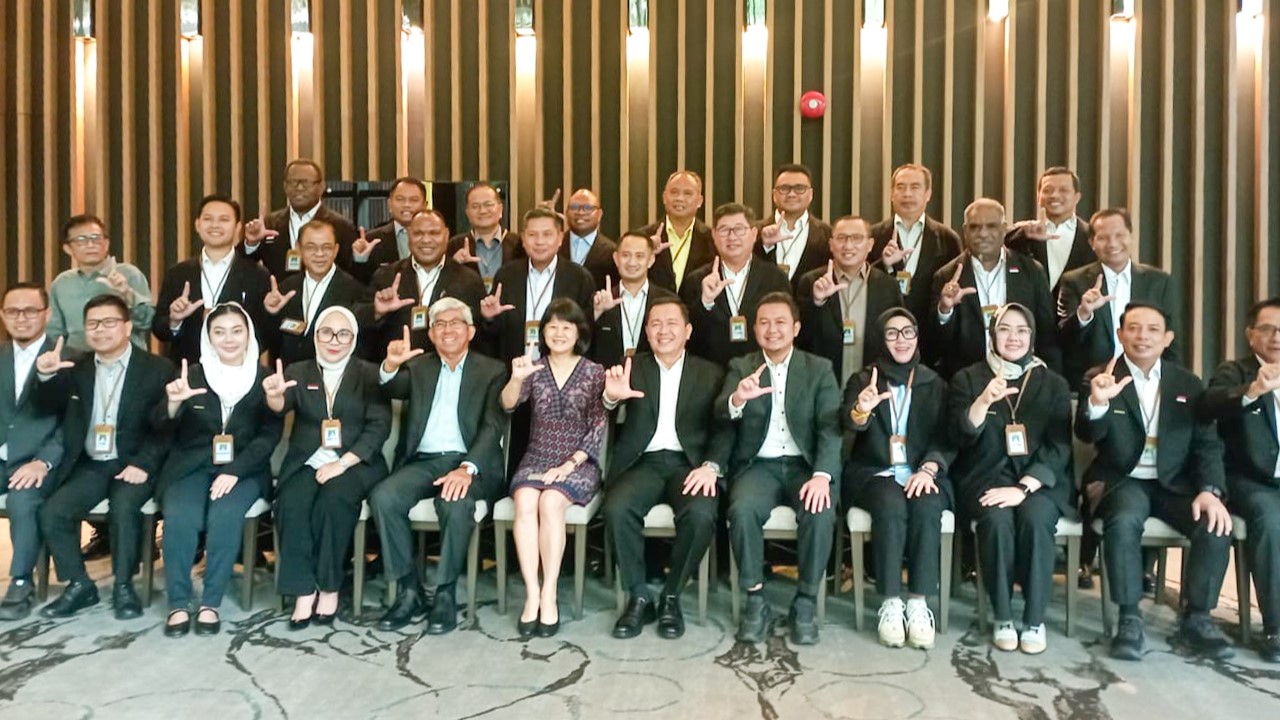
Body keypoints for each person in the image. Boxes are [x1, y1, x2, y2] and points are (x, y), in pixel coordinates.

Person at [1077, 302, 1234, 661]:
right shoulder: (1100, 376)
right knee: (1123, 521)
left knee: (1215, 524)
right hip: (1121, 480)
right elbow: (1087, 434)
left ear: (1168, 338)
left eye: (1152, 329)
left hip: (1174, 483)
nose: (1142, 336)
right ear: (1120, 335)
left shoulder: (1187, 383)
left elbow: (1207, 445)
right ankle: (1129, 617)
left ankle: (1197, 617)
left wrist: (1210, 491)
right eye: (1133, 328)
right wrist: (1097, 402)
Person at [371, 300, 507, 634]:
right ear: (431, 334)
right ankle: (409, 590)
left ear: (470, 331)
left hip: (468, 462)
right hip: (424, 461)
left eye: (455, 323)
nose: (447, 329)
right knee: (384, 497)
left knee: (455, 503)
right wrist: (390, 365)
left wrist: (467, 468)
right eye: (440, 324)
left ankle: (445, 593)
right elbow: (391, 387)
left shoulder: (492, 370)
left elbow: (493, 426)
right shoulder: (419, 367)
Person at [35, 294, 174, 620]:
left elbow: (167, 428)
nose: (100, 330)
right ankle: (79, 584)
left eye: (109, 322)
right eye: (93, 324)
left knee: (124, 508)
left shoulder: (157, 369)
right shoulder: (76, 367)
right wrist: (45, 377)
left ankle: (124, 586)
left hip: (135, 462)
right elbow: (47, 407)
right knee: (53, 511)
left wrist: (144, 464)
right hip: (91, 463)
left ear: (127, 327)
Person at [602, 297, 731, 639]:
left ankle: (671, 596)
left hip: (688, 465)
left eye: (672, 323)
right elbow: (605, 413)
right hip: (642, 463)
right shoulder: (632, 367)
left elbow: (724, 427)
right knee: (616, 509)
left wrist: (712, 466)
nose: (663, 330)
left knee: (701, 513)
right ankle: (639, 596)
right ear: (646, 331)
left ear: (687, 331)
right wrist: (611, 398)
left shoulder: (710, 373)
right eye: (656, 324)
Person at [947, 303, 1072, 655]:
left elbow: (1059, 446)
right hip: (986, 477)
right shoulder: (967, 379)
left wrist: (1024, 487)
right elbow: (958, 437)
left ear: (1032, 336)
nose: (1013, 337)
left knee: (1036, 519)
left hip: (1038, 482)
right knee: (997, 520)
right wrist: (982, 402)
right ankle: (1002, 615)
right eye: (1004, 329)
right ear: (992, 335)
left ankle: (1034, 619)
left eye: (1021, 330)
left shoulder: (1053, 383)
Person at [719, 292, 842, 645]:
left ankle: (805, 601)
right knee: (742, 509)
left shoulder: (819, 369)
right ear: (754, 328)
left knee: (820, 510)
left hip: (805, 467)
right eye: (764, 322)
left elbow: (830, 428)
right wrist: (737, 399)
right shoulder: (741, 367)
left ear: (796, 328)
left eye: (780, 322)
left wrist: (822, 476)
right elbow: (720, 413)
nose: (772, 330)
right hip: (758, 466)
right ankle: (755, 599)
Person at [153, 304, 282, 637]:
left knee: (225, 516)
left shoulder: (264, 378)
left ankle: (210, 602)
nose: (229, 339)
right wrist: (173, 403)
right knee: (180, 516)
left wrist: (235, 470)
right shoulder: (191, 375)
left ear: (249, 335)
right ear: (208, 337)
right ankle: (178, 602)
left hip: (245, 469)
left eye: (237, 331)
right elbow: (159, 427)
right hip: (190, 465)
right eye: (219, 332)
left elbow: (270, 434)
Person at [268, 306, 391, 629]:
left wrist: (342, 463)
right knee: (292, 502)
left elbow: (379, 426)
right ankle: (303, 590)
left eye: (343, 334)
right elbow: (281, 407)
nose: (334, 341)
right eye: (326, 332)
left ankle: (329, 586)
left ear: (353, 338)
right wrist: (275, 397)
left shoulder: (369, 374)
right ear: (315, 336)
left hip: (356, 461)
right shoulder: (298, 371)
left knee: (332, 502)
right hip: (308, 459)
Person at [843, 308, 953, 649]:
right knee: (890, 505)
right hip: (875, 471)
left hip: (922, 471)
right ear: (881, 339)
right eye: (892, 333)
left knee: (928, 504)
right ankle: (891, 602)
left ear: (917, 337)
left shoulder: (934, 383)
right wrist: (862, 409)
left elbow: (946, 437)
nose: (901, 340)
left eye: (908, 332)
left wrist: (929, 468)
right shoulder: (864, 380)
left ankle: (918, 604)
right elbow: (847, 424)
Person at [501, 299, 606, 638]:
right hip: (536, 458)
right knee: (525, 501)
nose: (559, 333)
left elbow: (598, 425)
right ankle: (532, 593)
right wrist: (516, 379)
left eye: (566, 327)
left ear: (579, 333)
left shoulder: (594, 372)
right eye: (552, 326)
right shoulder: (533, 368)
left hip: (578, 462)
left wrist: (569, 464)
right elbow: (508, 404)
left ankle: (549, 592)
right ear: (542, 332)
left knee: (550, 502)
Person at [1203, 298, 1280, 662]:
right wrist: (1253, 391)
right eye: (1268, 329)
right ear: (1250, 335)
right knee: (1271, 521)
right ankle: (1276, 628)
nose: (1277, 337)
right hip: (1250, 480)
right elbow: (1210, 406)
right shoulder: (1234, 372)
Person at [928, 199, 1060, 378]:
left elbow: (1047, 333)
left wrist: (1051, 380)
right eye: (975, 227)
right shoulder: (946, 276)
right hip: (967, 380)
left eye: (991, 226)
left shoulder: (1031, 271)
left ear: (1004, 229)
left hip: (1023, 378)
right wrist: (945, 309)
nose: (983, 234)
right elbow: (936, 343)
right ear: (965, 231)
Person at [1056, 208, 1180, 389]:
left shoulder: (1159, 282)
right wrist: (1084, 313)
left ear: (1131, 236)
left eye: (1119, 235)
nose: (1112, 243)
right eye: (1103, 238)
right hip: (1091, 382)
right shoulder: (1074, 281)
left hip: (1148, 381)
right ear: (1092, 243)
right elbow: (1062, 339)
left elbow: (1171, 339)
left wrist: (1170, 383)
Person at [0, 283, 63, 621]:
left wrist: (44, 460)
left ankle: (21, 581)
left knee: (22, 500)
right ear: (3, 316)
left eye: (30, 311)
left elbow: (75, 422)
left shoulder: (70, 357)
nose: (21, 318)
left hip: (41, 460)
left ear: (47, 314)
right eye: (13, 311)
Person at [153, 194, 273, 364]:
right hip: (187, 369)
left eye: (224, 219)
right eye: (208, 219)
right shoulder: (177, 273)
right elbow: (159, 328)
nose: (215, 225)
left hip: (239, 370)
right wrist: (175, 321)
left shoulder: (257, 274)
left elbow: (266, 333)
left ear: (237, 227)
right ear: (197, 225)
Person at [362, 209, 486, 359]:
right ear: (409, 234)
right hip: (398, 368)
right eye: (418, 233)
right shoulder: (386, 276)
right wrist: (377, 312)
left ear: (446, 235)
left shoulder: (469, 281)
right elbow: (361, 326)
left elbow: (481, 337)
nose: (426, 240)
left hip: (450, 369)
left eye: (434, 233)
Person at [796, 215, 904, 387]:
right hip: (823, 385)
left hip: (872, 385)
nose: (848, 245)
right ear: (831, 245)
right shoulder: (811, 281)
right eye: (841, 238)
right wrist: (817, 301)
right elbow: (800, 337)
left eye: (856, 238)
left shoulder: (888, 286)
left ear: (870, 245)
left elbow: (896, 336)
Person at [680, 203, 792, 367]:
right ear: (714, 235)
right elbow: (687, 333)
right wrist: (706, 303)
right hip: (711, 370)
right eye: (724, 230)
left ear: (754, 234)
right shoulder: (696, 280)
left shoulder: (775, 278)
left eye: (739, 229)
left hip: (761, 368)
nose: (732, 237)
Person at [480, 208, 596, 364]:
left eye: (547, 234)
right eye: (532, 235)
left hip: (561, 370)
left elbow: (586, 331)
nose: (539, 241)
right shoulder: (507, 275)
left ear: (560, 238)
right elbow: (495, 336)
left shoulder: (579, 278)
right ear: (523, 239)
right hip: (515, 368)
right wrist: (489, 318)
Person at [263, 219, 371, 365]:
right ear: (298, 249)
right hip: (289, 375)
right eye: (311, 247)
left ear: (336, 250)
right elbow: (271, 341)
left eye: (326, 247)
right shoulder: (285, 288)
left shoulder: (355, 291)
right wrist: (271, 313)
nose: (319, 254)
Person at [47, 213, 155, 352]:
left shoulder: (129, 274)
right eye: (81, 240)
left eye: (96, 238)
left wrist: (127, 294)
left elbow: (148, 323)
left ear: (106, 243)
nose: (90, 245)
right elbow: (54, 332)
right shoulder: (62, 283)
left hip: (126, 359)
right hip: (77, 360)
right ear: (68, 248)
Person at [869, 164, 962, 324]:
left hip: (931, 330)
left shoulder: (948, 239)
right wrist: (885, 265)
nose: (907, 194)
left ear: (928, 194)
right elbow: (862, 283)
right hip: (884, 327)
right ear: (892, 194)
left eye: (915, 187)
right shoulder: (872, 236)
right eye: (900, 187)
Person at [238, 158, 358, 280]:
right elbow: (242, 266)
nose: (299, 188)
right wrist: (251, 244)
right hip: (278, 290)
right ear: (285, 186)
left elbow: (351, 273)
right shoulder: (269, 223)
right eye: (293, 182)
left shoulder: (341, 226)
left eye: (306, 183)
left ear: (321, 186)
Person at [589, 231, 677, 369]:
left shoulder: (668, 301)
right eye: (626, 255)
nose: (632, 262)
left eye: (639, 256)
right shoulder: (599, 300)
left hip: (653, 376)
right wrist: (596, 313)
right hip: (608, 377)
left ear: (651, 260)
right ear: (616, 258)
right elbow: (582, 343)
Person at [1003, 167, 1095, 294]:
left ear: (1077, 197)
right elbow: (995, 244)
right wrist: (1023, 234)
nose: (1054, 195)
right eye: (1047, 190)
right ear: (1039, 196)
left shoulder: (1092, 235)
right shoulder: (1023, 233)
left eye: (1063, 190)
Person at [636, 171, 717, 293]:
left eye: (687, 193)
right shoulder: (642, 238)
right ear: (664, 197)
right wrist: (646, 252)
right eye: (674, 192)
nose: (680, 198)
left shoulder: (713, 239)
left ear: (700, 201)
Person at [754, 164, 832, 287]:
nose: (791, 194)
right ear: (774, 195)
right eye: (784, 188)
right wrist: (764, 245)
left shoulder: (828, 234)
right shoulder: (754, 231)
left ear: (810, 194)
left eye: (799, 188)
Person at [350, 176, 428, 285]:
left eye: (414, 200)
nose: (407, 205)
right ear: (389, 205)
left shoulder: (436, 239)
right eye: (400, 199)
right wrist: (360, 260)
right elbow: (360, 285)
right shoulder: (372, 240)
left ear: (425, 205)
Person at [447, 183, 525, 290]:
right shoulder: (455, 245)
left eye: (488, 205)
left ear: (500, 209)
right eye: (475, 206)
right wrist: (454, 264)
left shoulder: (519, 243)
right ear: (467, 213)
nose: (482, 211)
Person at [559, 188, 618, 292]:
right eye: (574, 207)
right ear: (566, 213)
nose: (581, 212)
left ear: (599, 214)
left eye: (588, 207)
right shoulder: (554, 245)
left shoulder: (612, 251)